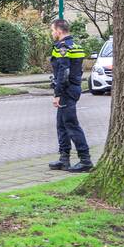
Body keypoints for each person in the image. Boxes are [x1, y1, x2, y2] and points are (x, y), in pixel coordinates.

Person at [47, 18, 92, 172]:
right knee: (61, 124)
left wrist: (58, 93)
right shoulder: (76, 46)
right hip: (73, 88)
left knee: (71, 125)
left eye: (53, 30)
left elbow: (64, 72)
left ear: (59, 31)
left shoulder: (63, 47)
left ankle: (85, 160)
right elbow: (77, 70)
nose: (52, 33)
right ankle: (64, 159)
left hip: (66, 90)